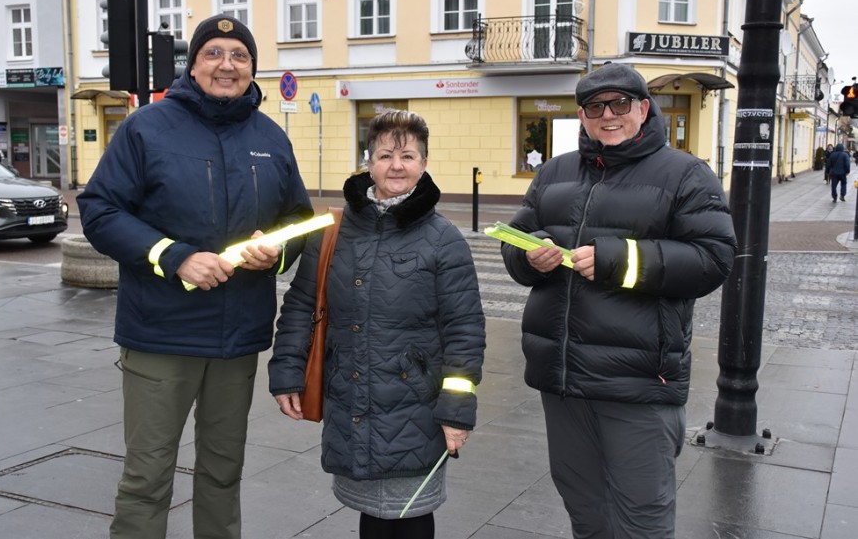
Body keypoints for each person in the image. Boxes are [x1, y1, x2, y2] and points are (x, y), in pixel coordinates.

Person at [78, 14, 313, 539]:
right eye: (214, 53)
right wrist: (172, 255)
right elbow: (100, 210)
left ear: (253, 69)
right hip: (162, 333)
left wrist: (273, 252)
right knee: (148, 475)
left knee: (223, 471)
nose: (226, 65)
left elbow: (298, 221)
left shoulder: (271, 138)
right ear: (194, 63)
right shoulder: (147, 127)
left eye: (239, 56)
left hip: (237, 338)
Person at [499, 63, 736, 538]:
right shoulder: (555, 171)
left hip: (638, 383)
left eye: (620, 104)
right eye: (594, 106)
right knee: (585, 511)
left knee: (641, 518)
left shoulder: (686, 173)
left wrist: (615, 259)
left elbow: (712, 259)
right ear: (582, 115)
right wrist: (531, 257)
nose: (608, 115)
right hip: (563, 379)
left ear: (644, 109)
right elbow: (515, 243)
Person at [269, 110, 486, 539]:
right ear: (368, 162)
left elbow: (465, 330)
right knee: (372, 514)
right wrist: (286, 374)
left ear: (424, 163)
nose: (397, 165)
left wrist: (457, 411)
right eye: (385, 154)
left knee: (411, 513)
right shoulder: (332, 230)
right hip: (351, 396)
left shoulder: (444, 238)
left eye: (408, 155)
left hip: (415, 404)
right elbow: (301, 304)